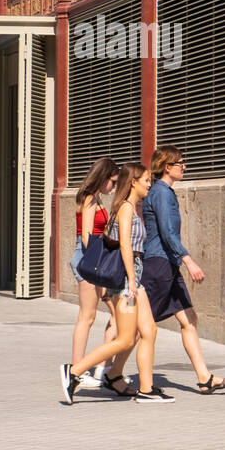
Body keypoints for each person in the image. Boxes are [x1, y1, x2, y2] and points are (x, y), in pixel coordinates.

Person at [60, 162, 174, 403]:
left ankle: (142, 387)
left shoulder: (130, 207)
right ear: (133, 182)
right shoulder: (123, 208)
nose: (148, 185)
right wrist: (131, 280)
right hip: (125, 278)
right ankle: (75, 371)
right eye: (145, 180)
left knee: (148, 331)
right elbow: (123, 245)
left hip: (134, 275)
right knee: (124, 336)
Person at [141, 146, 225, 394]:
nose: (185, 166)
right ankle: (103, 371)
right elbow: (167, 232)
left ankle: (205, 378)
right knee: (134, 327)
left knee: (189, 320)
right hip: (159, 264)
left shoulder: (166, 192)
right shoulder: (161, 194)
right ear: (166, 167)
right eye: (180, 163)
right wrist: (188, 260)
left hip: (168, 264)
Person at [69, 157, 122, 390]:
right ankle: (75, 370)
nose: (113, 187)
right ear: (103, 177)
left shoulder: (96, 198)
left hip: (95, 260)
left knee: (117, 315)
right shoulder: (90, 198)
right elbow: (86, 237)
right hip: (90, 261)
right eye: (112, 181)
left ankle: (104, 369)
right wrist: (99, 269)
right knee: (87, 317)